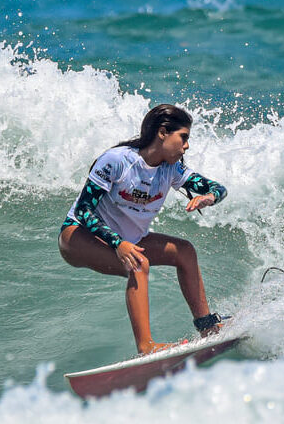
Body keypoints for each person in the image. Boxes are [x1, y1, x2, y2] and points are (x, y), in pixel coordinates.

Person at [58, 104, 227, 354]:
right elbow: (84, 211)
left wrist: (209, 197)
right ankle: (146, 346)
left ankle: (206, 326)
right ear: (162, 133)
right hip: (78, 237)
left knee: (185, 251)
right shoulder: (117, 161)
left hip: (127, 240)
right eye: (183, 137)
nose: (186, 146)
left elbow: (218, 188)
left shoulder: (172, 168)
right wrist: (118, 243)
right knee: (138, 263)